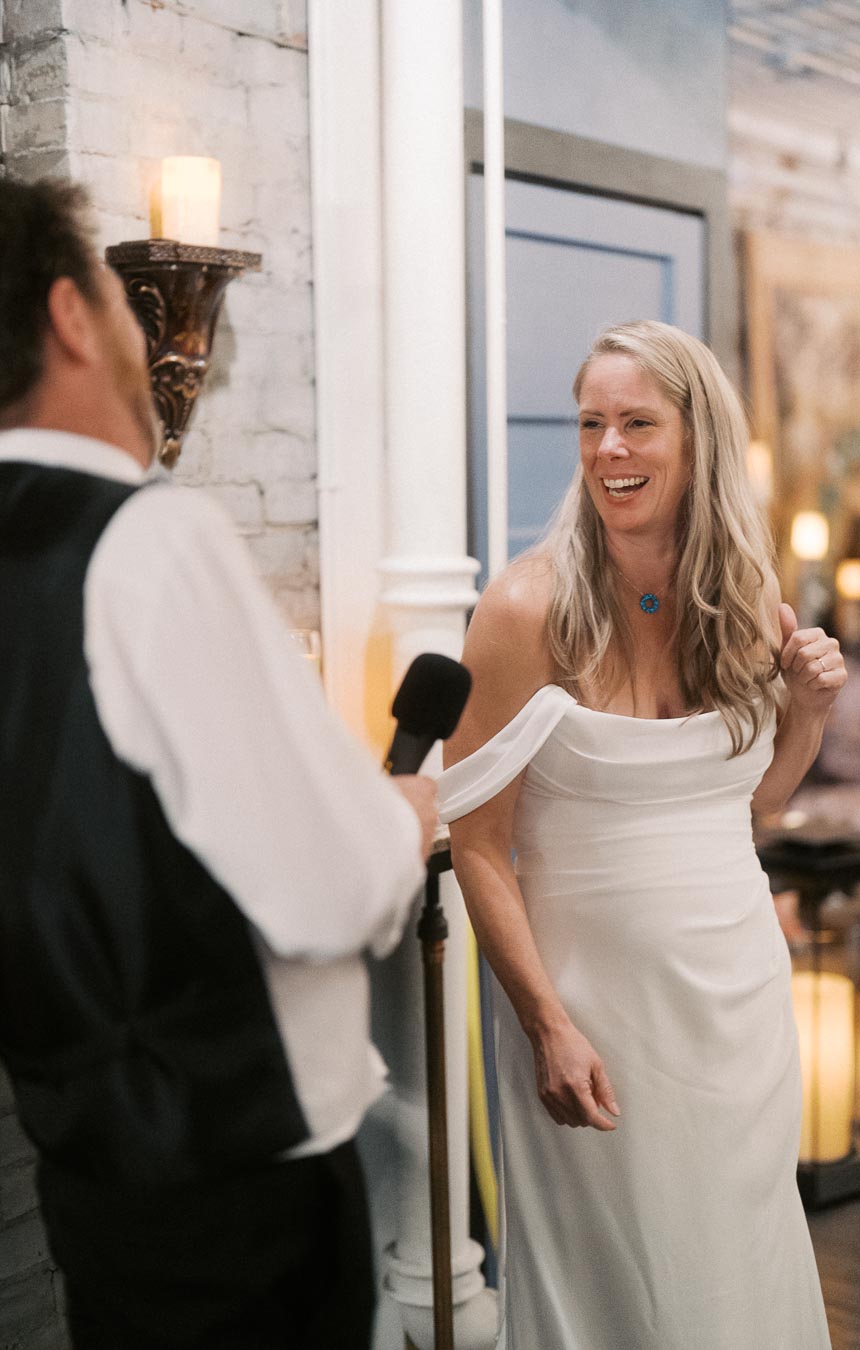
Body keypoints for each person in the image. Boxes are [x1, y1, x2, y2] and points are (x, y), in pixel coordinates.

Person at [0, 176, 437, 1350]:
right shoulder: (147, 540)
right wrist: (402, 816)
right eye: (113, 287)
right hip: (239, 1203)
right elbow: (332, 887)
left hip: (87, 1174)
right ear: (74, 317)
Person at [440, 320, 846, 1350]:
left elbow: (752, 807)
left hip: (736, 997)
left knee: (735, 1268)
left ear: (696, 437)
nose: (609, 449)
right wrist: (546, 1024)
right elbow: (480, 844)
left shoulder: (745, 601)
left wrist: (804, 714)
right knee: (617, 1284)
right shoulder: (525, 610)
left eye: (636, 424)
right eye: (591, 424)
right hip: (590, 1009)